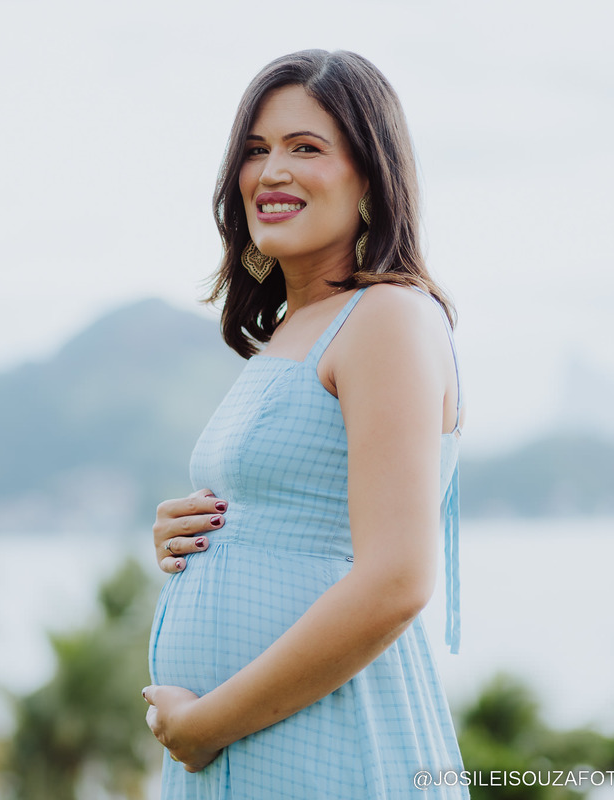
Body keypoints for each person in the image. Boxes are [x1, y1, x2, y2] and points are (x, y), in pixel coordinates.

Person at [141, 49, 467, 798]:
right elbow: (309, 509)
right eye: (255, 151)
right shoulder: (297, 328)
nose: (271, 171)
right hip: (248, 742)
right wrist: (204, 533)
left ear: (372, 177)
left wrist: (210, 725)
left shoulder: (384, 315)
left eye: (306, 148)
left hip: (321, 736)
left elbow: (396, 579)